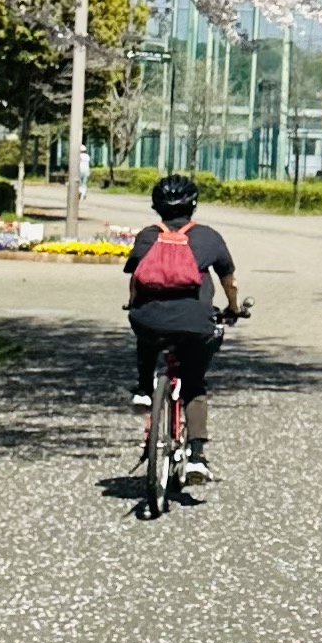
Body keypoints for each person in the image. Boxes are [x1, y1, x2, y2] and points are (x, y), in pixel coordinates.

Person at [123, 172, 247, 482]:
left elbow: (135, 280)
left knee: (147, 334)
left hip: (148, 319)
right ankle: (196, 457)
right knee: (193, 382)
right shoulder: (208, 237)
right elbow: (228, 282)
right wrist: (233, 309)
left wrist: (134, 305)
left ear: (156, 207)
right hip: (195, 322)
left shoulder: (147, 236)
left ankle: (143, 390)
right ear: (194, 204)